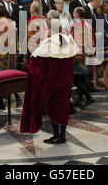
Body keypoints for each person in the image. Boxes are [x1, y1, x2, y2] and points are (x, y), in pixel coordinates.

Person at [20, 10, 79, 144]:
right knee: (63, 107)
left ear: (48, 21)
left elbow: (38, 63)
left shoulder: (48, 42)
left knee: (52, 107)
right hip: (66, 81)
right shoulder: (66, 39)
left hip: (52, 82)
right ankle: (62, 135)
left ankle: (57, 135)